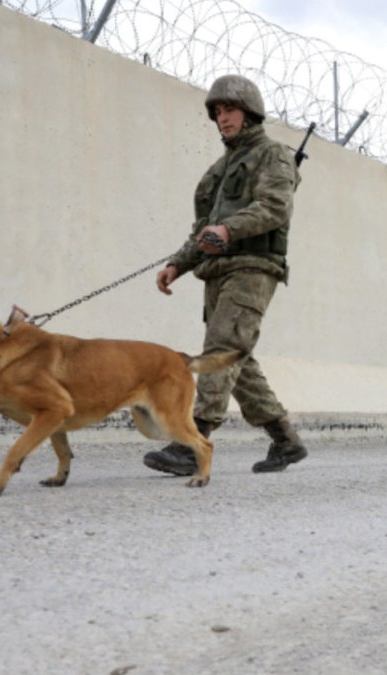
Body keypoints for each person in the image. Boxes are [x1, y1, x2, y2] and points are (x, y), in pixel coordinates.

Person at [144, 74, 308, 475]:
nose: (223, 118)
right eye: (217, 111)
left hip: (253, 270)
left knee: (220, 351)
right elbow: (203, 231)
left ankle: (191, 444)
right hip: (217, 273)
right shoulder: (216, 173)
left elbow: (275, 207)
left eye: (230, 109)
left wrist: (230, 229)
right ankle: (285, 441)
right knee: (238, 358)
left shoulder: (273, 155)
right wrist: (177, 264)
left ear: (250, 113)